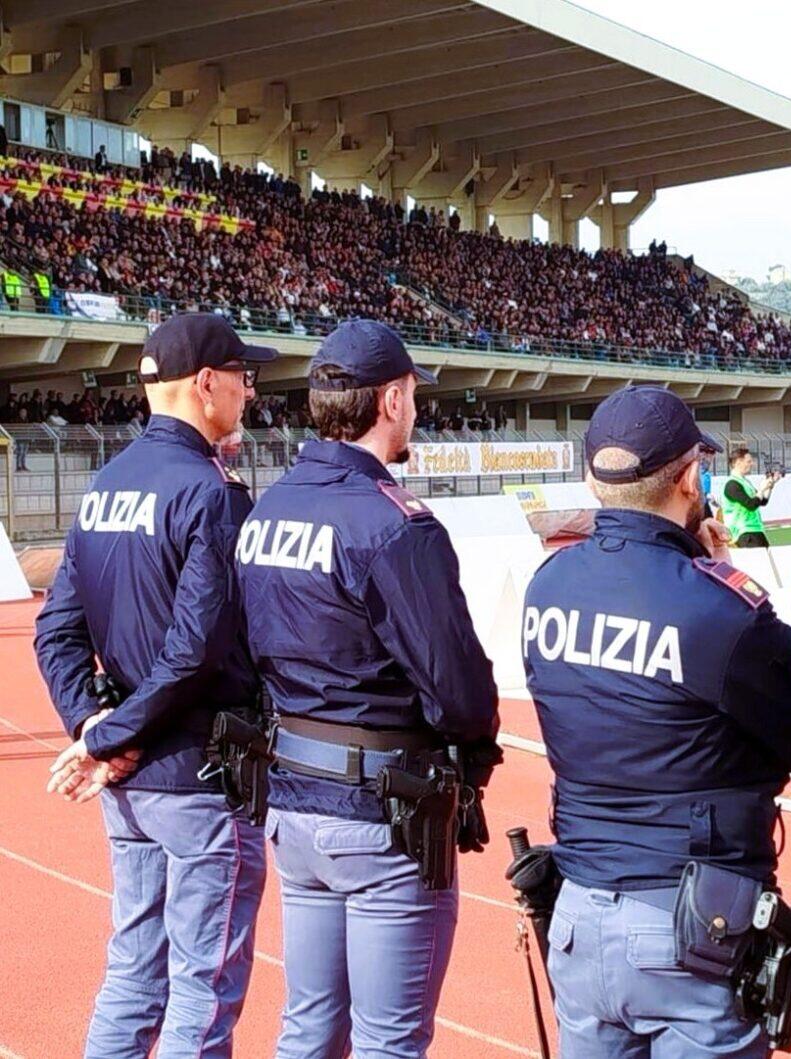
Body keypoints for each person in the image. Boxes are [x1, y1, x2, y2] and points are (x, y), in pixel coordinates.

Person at [524, 386, 791, 1058]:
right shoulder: (716, 606)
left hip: (580, 911)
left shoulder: (550, 582)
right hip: (688, 925)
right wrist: (714, 569)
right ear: (690, 477)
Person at [235, 319, 501, 1058]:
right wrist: (473, 751)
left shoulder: (268, 507)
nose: (415, 410)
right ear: (389, 400)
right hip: (383, 817)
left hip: (293, 800)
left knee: (309, 1026)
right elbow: (458, 687)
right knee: (389, 1040)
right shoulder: (395, 525)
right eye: (412, 395)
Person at [34, 313, 277, 1058]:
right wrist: (107, 735)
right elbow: (195, 652)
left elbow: (57, 631)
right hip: (200, 777)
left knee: (135, 974)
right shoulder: (213, 493)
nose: (249, 390)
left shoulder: (107, 483)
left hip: (130, 784)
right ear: (207, 384)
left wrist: (94, 729)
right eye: (243, 375)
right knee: (201, 995)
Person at [721, 446, 780, 547]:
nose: (752, 464)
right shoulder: (732, 484)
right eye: (748, 461)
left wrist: (770, 486)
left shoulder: (745, 482)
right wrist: (761, 489)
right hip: (744, 533)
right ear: (738, 462)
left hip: (755, 530)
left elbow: (761, 501)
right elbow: (751, 505)